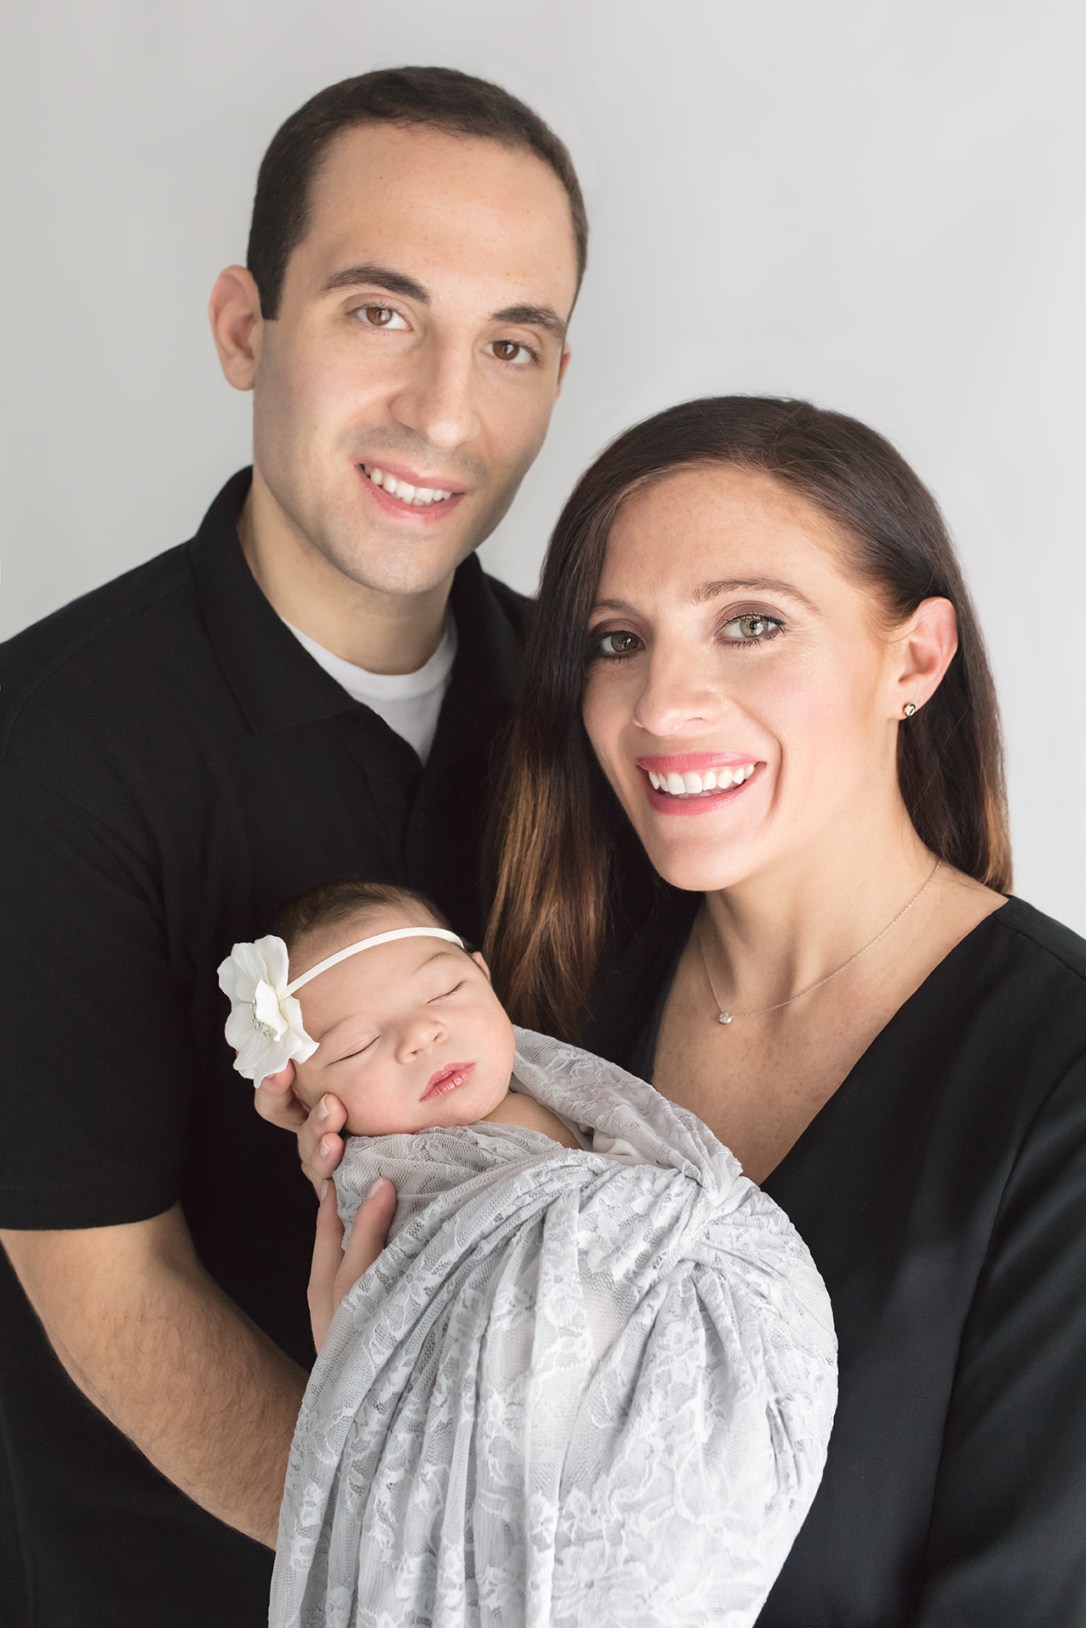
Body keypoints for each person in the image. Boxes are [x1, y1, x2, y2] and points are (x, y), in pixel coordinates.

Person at [0, 66, 583, 1627]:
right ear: (246, 327)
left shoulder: (598, 718)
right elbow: (117, 1290)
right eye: (380, 313)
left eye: (511, 343)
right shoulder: (48, 749)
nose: (445, 411)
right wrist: (431, 1583)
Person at [478, 394, 1086, 1625]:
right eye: (616, 640)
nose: (660, 703)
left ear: (913, 660)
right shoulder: (557, 1016)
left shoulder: (1055, 1073)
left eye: (751, 624)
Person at [221, 879, 835, 1627]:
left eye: (442, 991)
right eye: (355, 1044)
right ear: (315, 1105)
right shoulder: (397, 1180)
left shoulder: (563, 1090)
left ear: (485, 976)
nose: (420, 1036)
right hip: (523, 1445)